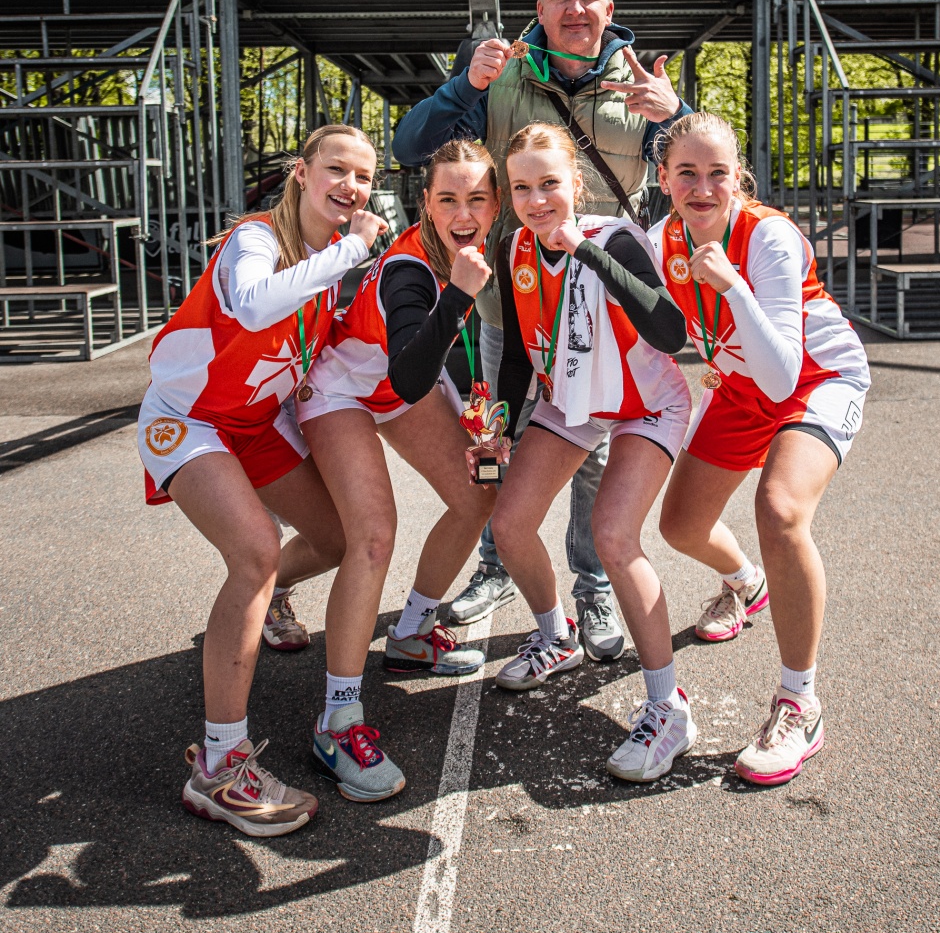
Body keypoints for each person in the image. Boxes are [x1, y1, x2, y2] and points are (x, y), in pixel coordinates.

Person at [392, 0, 690, 661]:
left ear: (609, 7)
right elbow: (410, 146)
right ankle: (497, 567)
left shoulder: (639, 84)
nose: (575, 9)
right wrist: (463, 86)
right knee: (500, 433)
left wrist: (677, 114)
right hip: (511, 301)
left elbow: (703, 172)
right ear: (539, 7)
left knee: (589, 453)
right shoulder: (500, 71)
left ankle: (591, 586)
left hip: (602, 311)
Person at [137, 124, 387, 836]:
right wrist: (350, 250)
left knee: (336, 538)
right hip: (189, 418)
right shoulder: (256, 239)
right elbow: (251, 304)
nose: (350, 186)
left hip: (253, 424)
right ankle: (220, 767)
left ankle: (268, 600)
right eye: (336, 169)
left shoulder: (333, 264)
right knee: (253, 552)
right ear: (302, 173)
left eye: (364, 176)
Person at [650, 111, 871, 786]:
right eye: (686, 172)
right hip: (742, 387)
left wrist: (733, 286)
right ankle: (747, 585)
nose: (702, 188)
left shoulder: (766, 235)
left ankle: (799, 703)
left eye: (717, 173)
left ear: (738, 177)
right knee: (679, 526)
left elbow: (780, 374)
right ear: (662, 177)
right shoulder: (660, 239)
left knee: (778, 510)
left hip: (813, 379)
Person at [293, 139, 502, 803]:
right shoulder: (408, 270)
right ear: (425, 204)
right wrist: (460, 294)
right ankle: (337, 720)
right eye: (448, 199)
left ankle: (410, 634)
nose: (463, 213)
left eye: (477, 198)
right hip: (342, 388)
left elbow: (444, 362)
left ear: (496, 204)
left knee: (481, 494)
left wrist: (484, 431)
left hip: (396, 382)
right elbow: (412, 374)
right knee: (371, 537)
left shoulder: (492, 248)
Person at [485, 123, 695, 783]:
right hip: (572, 400)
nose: (536, 200)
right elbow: (516, 352)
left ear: (575, 184)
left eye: (549, 183)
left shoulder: (614, 239)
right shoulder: (513, 246)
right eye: (521, 187)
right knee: (509, 523)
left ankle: (667, 708)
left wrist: (582, 250)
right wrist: (498, 427)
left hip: (644, 402)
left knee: (612, 536)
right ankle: (556, 636)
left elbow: (670, 331)